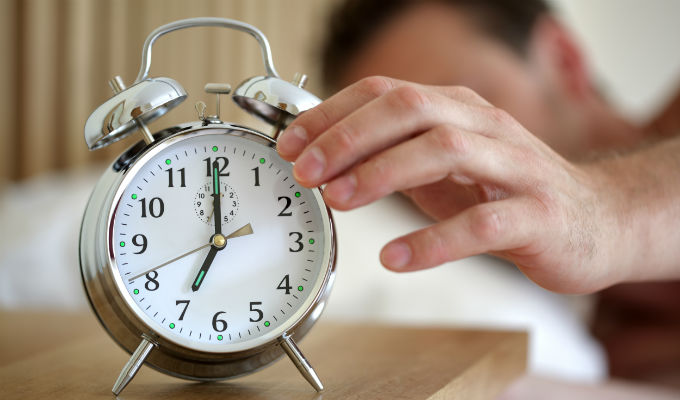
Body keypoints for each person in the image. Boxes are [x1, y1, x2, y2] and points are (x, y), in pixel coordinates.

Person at [276, 0, 680, 389]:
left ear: (562, 58)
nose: (445, 163)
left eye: (468, 111)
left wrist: (597, 209)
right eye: (399, 151)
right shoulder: (609, 348)